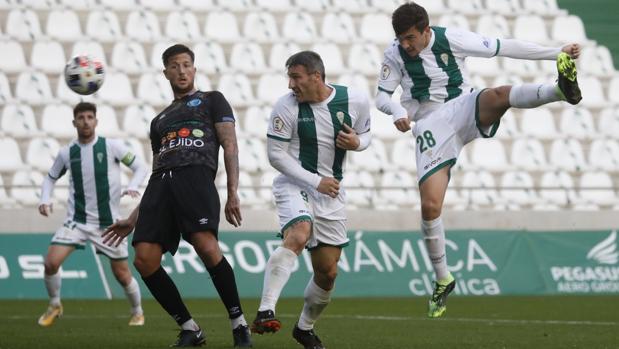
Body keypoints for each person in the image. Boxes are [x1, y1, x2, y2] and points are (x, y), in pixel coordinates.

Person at [375, 2, 582, 318]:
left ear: (426, 30)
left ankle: (559, 90)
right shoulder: (394, 54)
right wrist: (397, 111)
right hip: (430, 124)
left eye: (410, 38)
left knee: (498, 95)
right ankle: (443, 279)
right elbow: (381, 96)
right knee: (430, 207)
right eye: (401, 39)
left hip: (463, 106)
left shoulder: (451, 38)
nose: (406, 44)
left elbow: (504, 46)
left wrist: (556, 52)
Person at [101, 44, 252, 348]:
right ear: (166, 72)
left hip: (195, 178)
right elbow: (158, 167)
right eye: (174, 66)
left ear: (194, 69)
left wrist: (233, 191)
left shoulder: (213, 100)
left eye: (186, 65)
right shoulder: (159, 121)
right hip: (161, 186)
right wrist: (133, 218)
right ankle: (190, 328)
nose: (181, 71)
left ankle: (239, 324)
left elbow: (230, 145)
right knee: (144, 259)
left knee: (206, 247)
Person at [250, 51, 372, 349]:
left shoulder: (354, 100)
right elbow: (276, 155)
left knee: (328, 272)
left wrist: (357, 143)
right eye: (289, 77)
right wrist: (316, 181)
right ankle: (266, 310)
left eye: (296, 77)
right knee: (299, 233)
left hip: (331, 193)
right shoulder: (286, 106)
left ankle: (304, 328)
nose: (291, 84)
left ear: (316, 77)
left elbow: (367, 135)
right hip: (296, 184)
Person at [37, 102, 148, 327]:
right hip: (76, 222)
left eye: (90, 117)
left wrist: (134, 185)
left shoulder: (111, 147)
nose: (86, 121)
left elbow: (141, 167)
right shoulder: (67, 153)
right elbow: (50, 178)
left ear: (96, 121)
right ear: (74, 122)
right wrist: (44, 199)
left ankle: (137, 312)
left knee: (122, 274)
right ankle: (55, 304)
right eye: (81, 117)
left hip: (109, 224)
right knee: (50, 263)